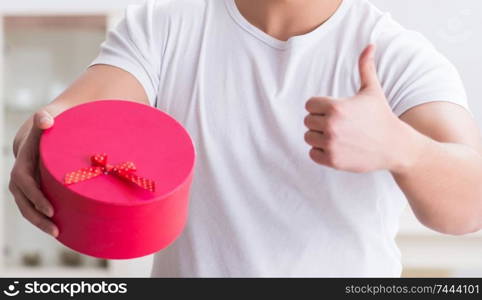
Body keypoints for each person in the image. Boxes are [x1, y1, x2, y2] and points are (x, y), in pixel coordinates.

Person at [8, 0, 482, 277]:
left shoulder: (399, 56)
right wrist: (43, 134)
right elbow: (84, 115)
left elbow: (471, 207)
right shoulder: (164, 25)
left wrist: (400, 146)